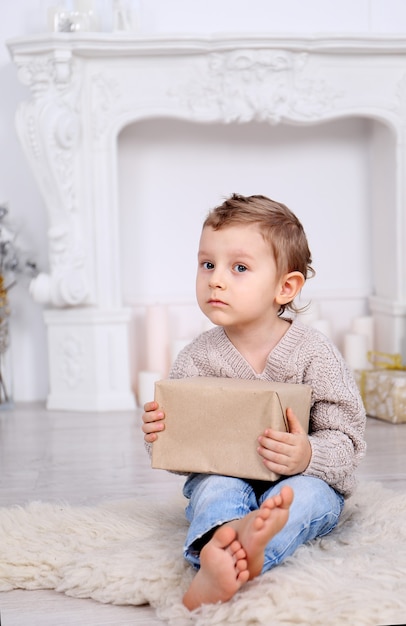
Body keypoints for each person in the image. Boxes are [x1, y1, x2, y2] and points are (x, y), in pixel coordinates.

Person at [142, 193, 366, 611]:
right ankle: (216, 548)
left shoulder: (314, 353)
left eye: (238, 268)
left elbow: (348, 442)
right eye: (207, 264)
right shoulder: (197, 357)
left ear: (286, 287)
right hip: (227, 473)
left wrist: (308, 455)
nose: (216, 280)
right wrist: (161, 435)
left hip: (303, 479)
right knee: (214, 489)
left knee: (306, 499)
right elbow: (182, 452)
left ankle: (251, 545)